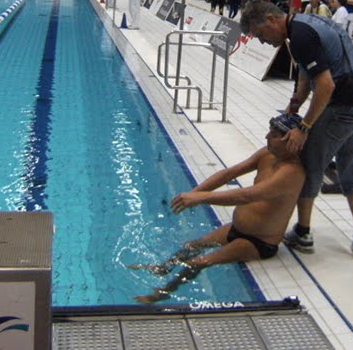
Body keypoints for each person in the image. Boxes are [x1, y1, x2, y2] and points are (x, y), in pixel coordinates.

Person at [241, 1, 353, 263]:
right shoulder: (304, 25)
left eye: (260, 34)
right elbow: (305, 82)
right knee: (352, 168)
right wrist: (292, 110)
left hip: (343, 108)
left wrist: (304, 127)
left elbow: (325, 86)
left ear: (270, 19)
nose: (263, 42)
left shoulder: (301, 36)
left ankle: (303, 233)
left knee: (309, 163)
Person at [129, 113, 306, 303]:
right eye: (270, 131)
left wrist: (201, 198)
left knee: (197, 262)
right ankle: (162, 268)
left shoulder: (292, 173)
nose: (267, 136)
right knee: (192, 246)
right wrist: (194, 193)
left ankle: (159, 295)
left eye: (274, 135)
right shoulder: (267, 155)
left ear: (291, 142)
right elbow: (229, 173)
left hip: (258, 241)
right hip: (236, 228)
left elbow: (246, 196)